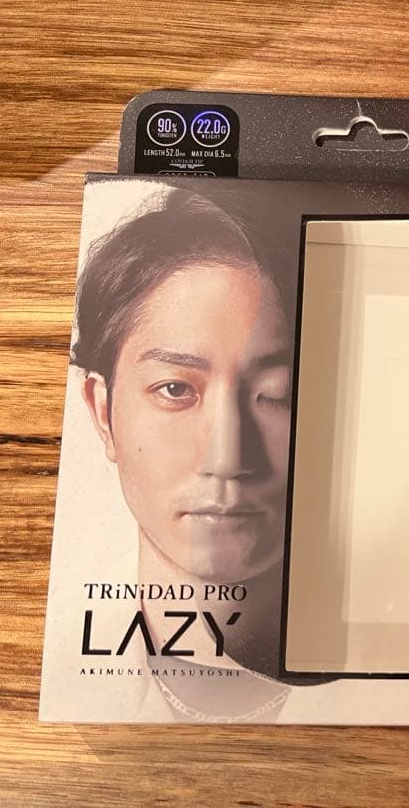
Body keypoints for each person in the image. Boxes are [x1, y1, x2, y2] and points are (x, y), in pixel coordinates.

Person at [72, 186, 296, 720]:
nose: (227, 456)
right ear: (103, 412)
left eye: (280, 393)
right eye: (175, 389)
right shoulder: (45, 679)